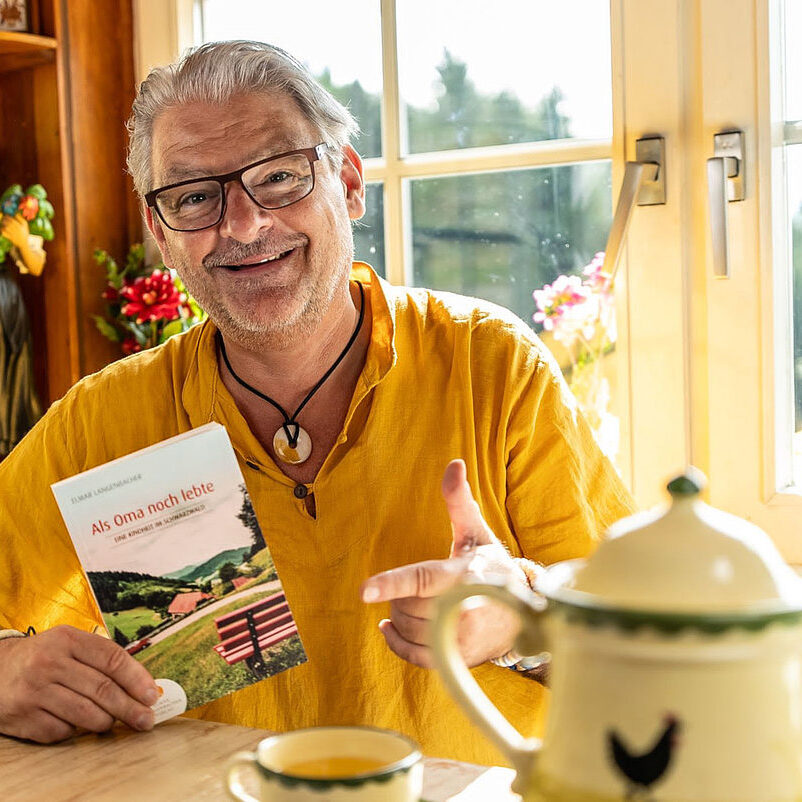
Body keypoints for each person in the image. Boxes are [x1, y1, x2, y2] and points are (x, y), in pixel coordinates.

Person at [0, 41, 633, 765]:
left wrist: (526, 613)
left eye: (278, 177)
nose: (241, 223)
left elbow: (637, 629)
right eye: (194, 197)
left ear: (351, 182)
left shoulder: (491, 365)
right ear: (161, 234)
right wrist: (9, 672)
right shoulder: (100, 423)